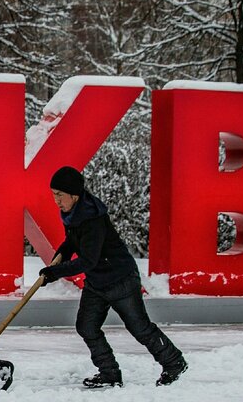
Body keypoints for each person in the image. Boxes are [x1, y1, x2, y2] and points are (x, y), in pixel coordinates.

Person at [39, 165, 188, 388]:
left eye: (59, 195)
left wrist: (54, 273)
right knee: (86, 327)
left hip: (120, 279)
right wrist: (63, 252)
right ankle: (109, 373)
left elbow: (88, 259)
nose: (56, 201)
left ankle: (174, 363)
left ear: (74, 194)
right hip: (97, 282)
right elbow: (73, 240)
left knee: (140, 328)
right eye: (54, 195)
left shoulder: (92, 218)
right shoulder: (73, 214)